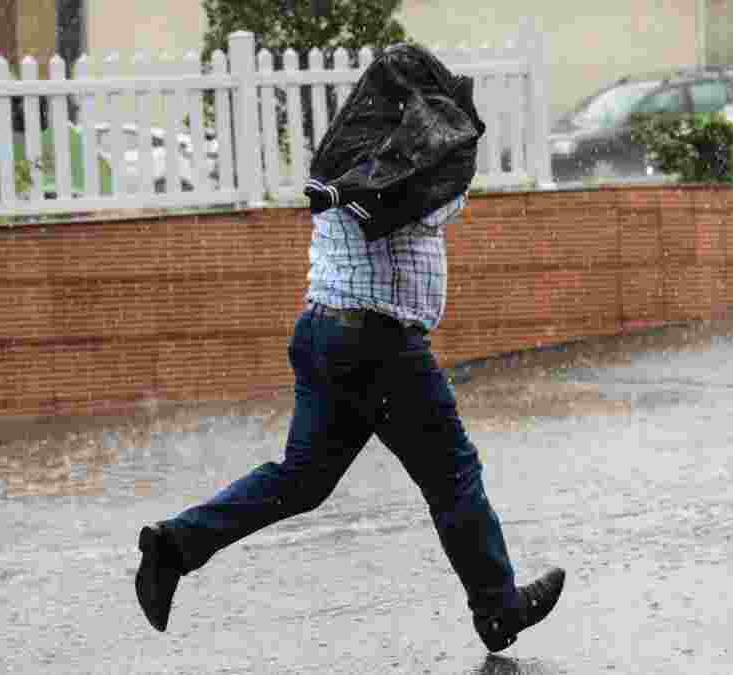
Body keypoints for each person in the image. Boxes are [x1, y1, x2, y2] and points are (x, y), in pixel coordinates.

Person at [134, 42, 565, 653]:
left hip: (321, 334)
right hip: (378, 343)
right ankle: (498, 610)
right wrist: (452, 132)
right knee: (453, 476)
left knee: (301, 481)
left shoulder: (344, 158)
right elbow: (445, 194)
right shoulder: (407, 172)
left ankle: (174, 546)